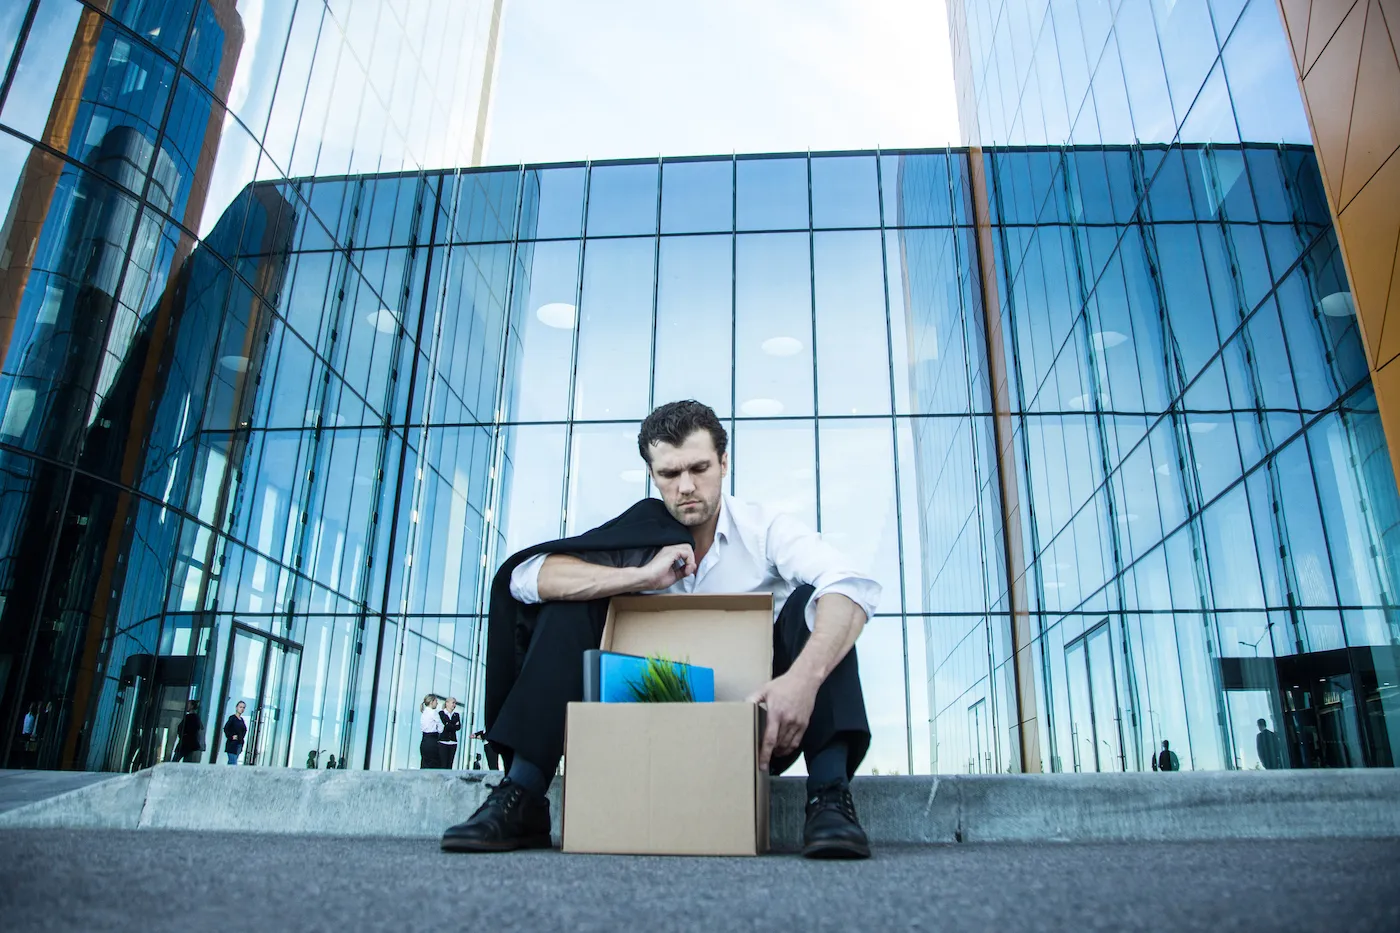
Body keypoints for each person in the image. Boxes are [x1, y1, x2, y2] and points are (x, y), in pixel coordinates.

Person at [442, 400, 880, 859]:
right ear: (652, 475)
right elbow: (525, 579)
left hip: (757, 732)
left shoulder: (764, 529)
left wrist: (802, 683)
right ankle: (525, 793)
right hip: (645, 732)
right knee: (571, 602)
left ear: (724, 463)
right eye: (669, 474)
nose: (687, 486)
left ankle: (829, 795)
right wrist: (639, 578)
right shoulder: (638, 535)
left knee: (821, 603)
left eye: (699, 468)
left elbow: (849, 586)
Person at [438, 697, 462, 769]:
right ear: (447, 703)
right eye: (453, 703)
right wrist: (453, 725)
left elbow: (458, 727)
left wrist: (449, 724)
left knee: (450, 764)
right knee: (443, 764)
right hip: (443, 741)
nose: (454, 705)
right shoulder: (441, 713)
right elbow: (446, 725)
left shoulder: (456, 715)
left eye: (455, 703)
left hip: (453, 742)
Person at [420, 694, 442, 769]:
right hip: (432, 740)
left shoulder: (424, 712)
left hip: (424, 740)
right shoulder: (433, 712)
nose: (437, 703)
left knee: (425, 764)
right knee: (434, 764)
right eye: (436, 701)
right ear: (431, 702)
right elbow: (441, 728)